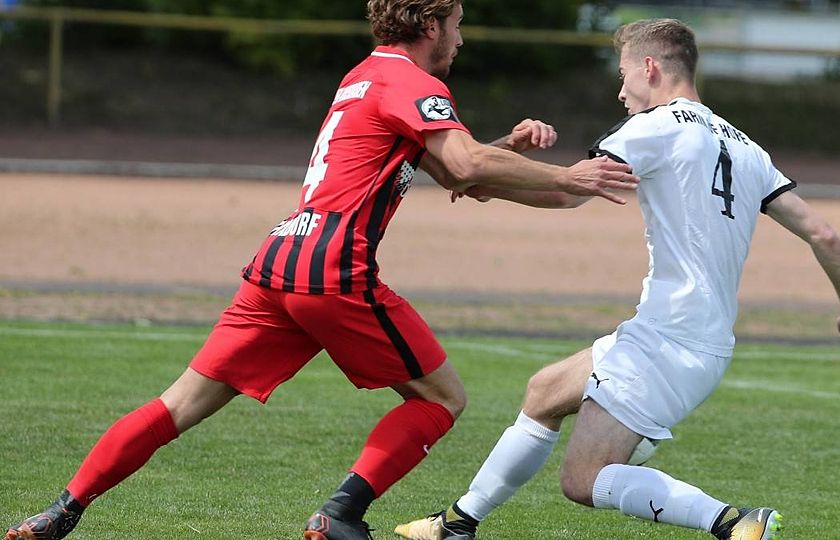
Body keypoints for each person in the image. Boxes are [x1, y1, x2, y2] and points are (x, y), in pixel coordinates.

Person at [3, 2, 640, 540]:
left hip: (280, 258)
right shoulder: (412, 82)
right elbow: (467, 167)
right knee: (442, 398)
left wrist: (517, 154)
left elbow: (458, 173)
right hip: (333, 266)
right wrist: (568, 176)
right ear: (429, 24)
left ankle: (61, 511)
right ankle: (340, 515)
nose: (461, 38)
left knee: (180, 404)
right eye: (457, 24)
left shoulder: (364, 76)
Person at [395, 18, 840, 540]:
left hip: (668, 342)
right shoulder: (746, 147)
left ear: (650, 67)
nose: (621, 92)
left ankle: (734, 521)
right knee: (545, 392)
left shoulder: (653, 127)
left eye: (623, 75)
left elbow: (566, 193)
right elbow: (824, 234)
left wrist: (487, 183)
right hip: (694, 339)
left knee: (583, 480)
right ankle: (457, 524)